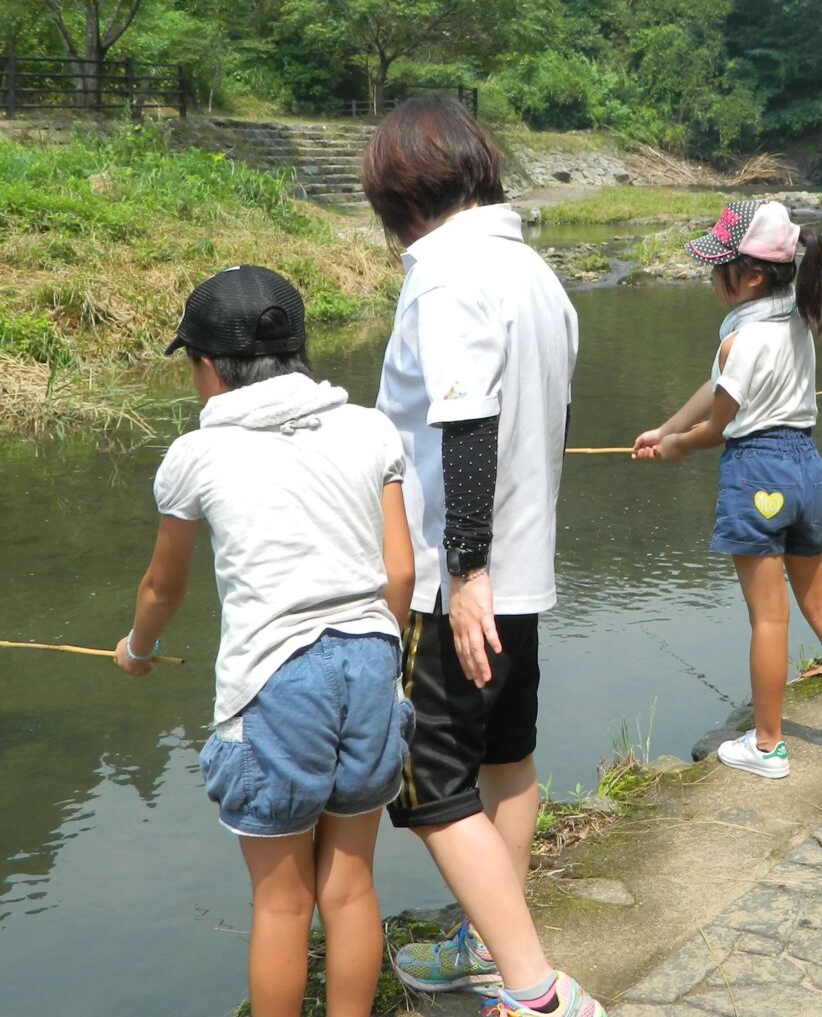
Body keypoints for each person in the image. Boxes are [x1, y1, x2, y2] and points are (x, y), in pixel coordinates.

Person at [114, 265, 414, 1017]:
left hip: (278, 684)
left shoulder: (196, 456)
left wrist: (138, 650)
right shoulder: (369, 426)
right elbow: (399, 570)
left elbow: (163, 587)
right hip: (373, 661)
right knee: (350, 886)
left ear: (209, 366)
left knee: (282, 903)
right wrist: (387, 663)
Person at [360, 98, 600, 1017]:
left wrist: (464, 573)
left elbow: (465, 423)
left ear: (398, 191)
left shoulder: (448, 275)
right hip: (520, 569)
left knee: (428, 783)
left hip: (450, 582)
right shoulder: (532, 270)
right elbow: (553, 424)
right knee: (507, 758)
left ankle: (534, 991)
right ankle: (486, 947)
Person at [631, 198, 822, 779]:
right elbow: (715, 391)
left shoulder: (741, 340)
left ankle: (769, 746)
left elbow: (719, 429)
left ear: (751, 274)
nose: (710, 275)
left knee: (770, 620)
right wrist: (666, 427)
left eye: (717, 265)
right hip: (807, 468)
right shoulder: (796, 316)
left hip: (756, 472)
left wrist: (676, 447)